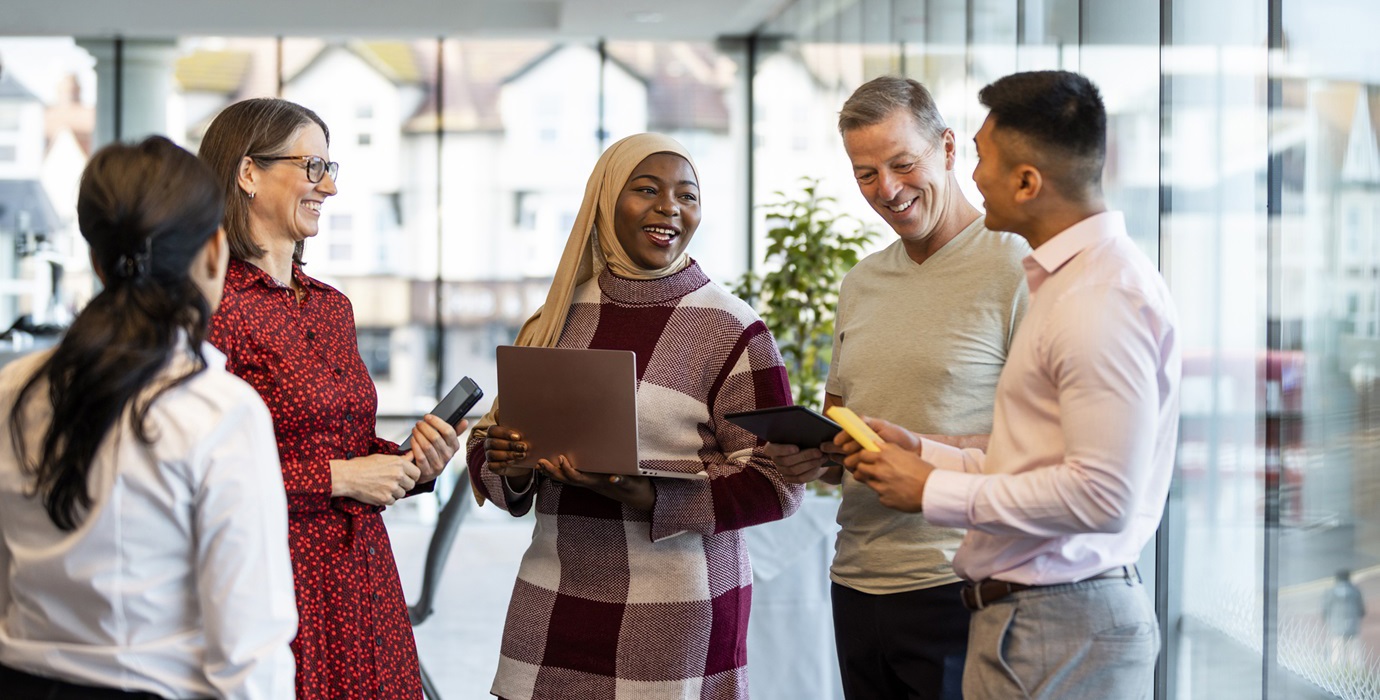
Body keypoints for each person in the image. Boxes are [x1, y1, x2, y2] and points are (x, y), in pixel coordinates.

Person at [841, 70, 1180, 700]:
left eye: (982, 159)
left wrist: (936, 489)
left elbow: (1103, 496)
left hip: (1060, 621)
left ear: (1027, 182)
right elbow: (1037, 459)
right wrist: (928, 454)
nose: (972, 177)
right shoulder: (1069, 284)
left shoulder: (1099, 298)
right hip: (1033, 619)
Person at [468, 132, 805, 700]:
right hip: (553, 595)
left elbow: (778, 479)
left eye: (687, 194)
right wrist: (511, 463)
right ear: (604, 201)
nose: (669, 206)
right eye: (646, 189)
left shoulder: (733, 328)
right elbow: (492, 456)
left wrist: (649, 495)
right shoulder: (555, 317)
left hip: (676, 610)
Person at [0, 136, 296, 699]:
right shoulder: (219, 412)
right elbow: (248, 651)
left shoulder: (13, 390)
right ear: (214, 252)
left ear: (95, 260)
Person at [764, 76, 1029, 700]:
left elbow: (1044, 449)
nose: (887, 190)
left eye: (903, 164)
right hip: (857, 582)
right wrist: (810, 458)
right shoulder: (860, 283)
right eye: (865, 174)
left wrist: (922, 452)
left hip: (961, 586)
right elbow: (843, 434)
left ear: (947, 148)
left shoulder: (1016, 265)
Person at [199, 97, 465, 698]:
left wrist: (408, 462)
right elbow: (205, 479)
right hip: (277, 582)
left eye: (330, 169)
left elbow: (347, 447)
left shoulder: (331, 305)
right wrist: (340, 478)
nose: (330, 188)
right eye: (312, 168)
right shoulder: (216, 308)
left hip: (362, 577)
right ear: (248, 173)